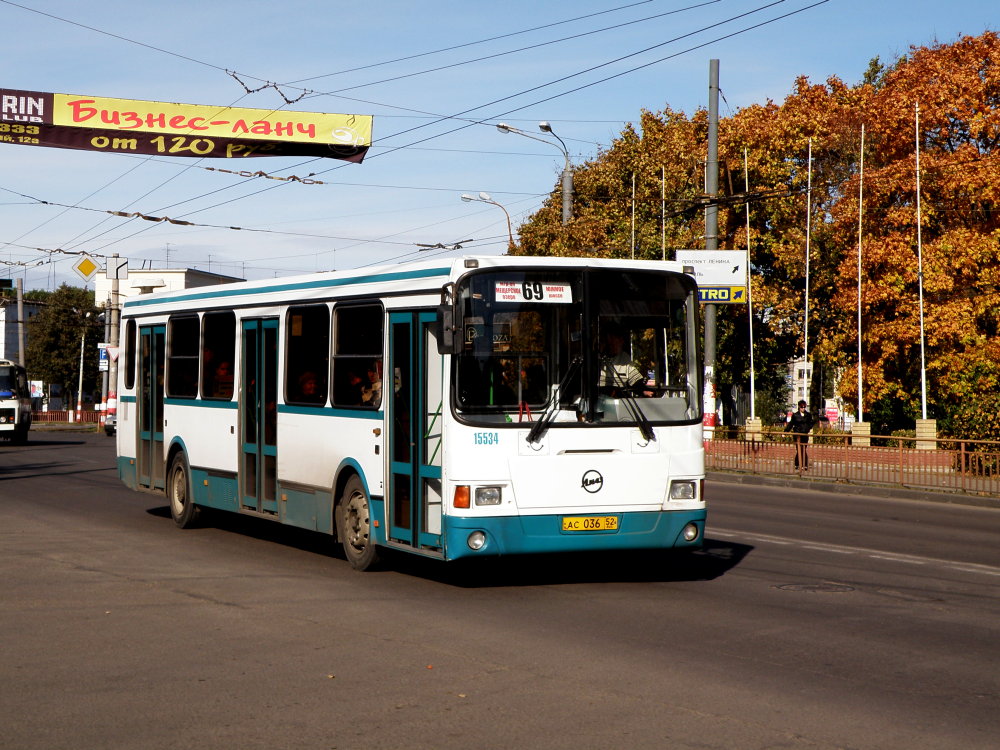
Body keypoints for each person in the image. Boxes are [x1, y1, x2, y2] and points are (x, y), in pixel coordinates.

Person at [598, 325, 644, 396]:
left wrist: (644, 391)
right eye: (610, 343)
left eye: (616, 341)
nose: (613, 346)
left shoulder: (624, 358)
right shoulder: (596, 361)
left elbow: (636, 382)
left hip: (621, 403)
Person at [784, 400, 815, 470]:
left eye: (804, 407)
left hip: (804, 435)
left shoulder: (808, 415)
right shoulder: (795, 415)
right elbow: (791, 424)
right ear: (799, 407)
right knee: (799, 449)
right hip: (797, 435)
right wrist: (785, 432)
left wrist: (808, 428)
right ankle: (802, 464)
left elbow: (812, 423)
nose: (803, 408)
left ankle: (799, 464)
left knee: (803, 449)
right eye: (802, 407)